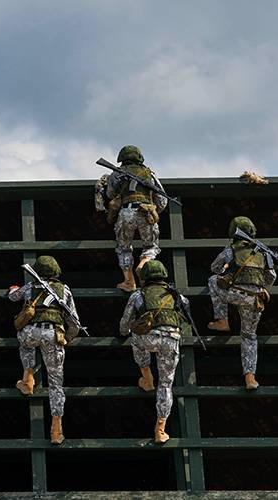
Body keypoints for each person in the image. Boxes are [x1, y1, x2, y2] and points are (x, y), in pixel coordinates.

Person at [8, 255, 79, 445]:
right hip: (53, 335)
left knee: (24, 341)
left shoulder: (31, 287)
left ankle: (28, 378)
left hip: (31, 332)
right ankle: (56, 430)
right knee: (56, 384)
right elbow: (74, 323)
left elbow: (13, 297)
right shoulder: (64, 290)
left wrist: (13, 289)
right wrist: (67, 339)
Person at [207, 216, 276, 390]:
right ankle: (250, 378)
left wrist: (227, 272)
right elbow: (271, 277)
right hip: (255, 299)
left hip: (236, 294)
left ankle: (222, 320)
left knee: (213, 280)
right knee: (249, 337)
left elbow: (215, 267)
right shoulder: (263, 252)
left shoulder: (231, 250)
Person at [119, 260, 184, 443]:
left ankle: (147, 377)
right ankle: (160, 429)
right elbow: (184, 317)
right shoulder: (176, 295)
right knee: (166, 385)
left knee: (135, 340)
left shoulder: (138, 295)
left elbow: (125, 324)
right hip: (171, 340)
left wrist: (125, 332)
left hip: (149, 338)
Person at [105, 145, 168, 292]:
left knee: (124, 249)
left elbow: (109, 194)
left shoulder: (116, 174)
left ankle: (129, 281)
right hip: (146, 212)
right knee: (150, 246)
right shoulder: (149, 174)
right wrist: (153, 211)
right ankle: (144, 263)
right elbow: (162, 201)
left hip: (126, 212)